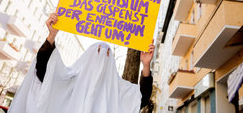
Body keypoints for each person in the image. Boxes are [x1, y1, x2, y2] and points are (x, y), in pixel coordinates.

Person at [8, 13, 154, 113]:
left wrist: (146, 65)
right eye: (97, 52)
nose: (102, 58)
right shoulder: (69, 80)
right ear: (88, 55)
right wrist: (52, 35)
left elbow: (141, 98)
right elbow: (44, 73)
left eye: (108, 55)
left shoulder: (117, 90)